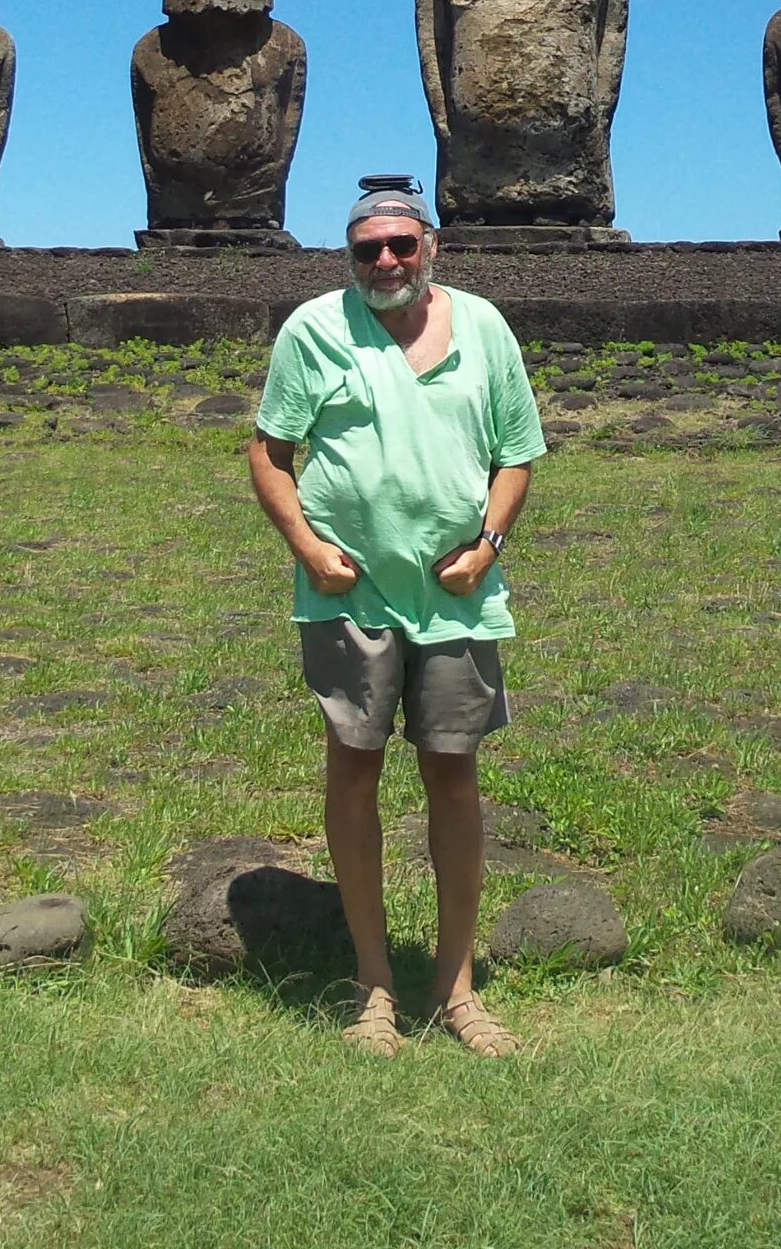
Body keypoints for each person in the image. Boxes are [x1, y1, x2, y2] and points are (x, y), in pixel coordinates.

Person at [248, 173, 545, 1057]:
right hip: (351, 592)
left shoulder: (484, 327)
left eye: (401, 245)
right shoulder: (315, 329)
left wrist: (488, 546)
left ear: (433, 247)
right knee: (355, 768)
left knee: (453, 775)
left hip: (457, 597)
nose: (386, 261)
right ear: (349, 259)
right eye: (368, 249)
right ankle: (373, 984)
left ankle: (455, 986)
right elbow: (269, 451)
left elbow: (518, 454)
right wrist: (307, 548)